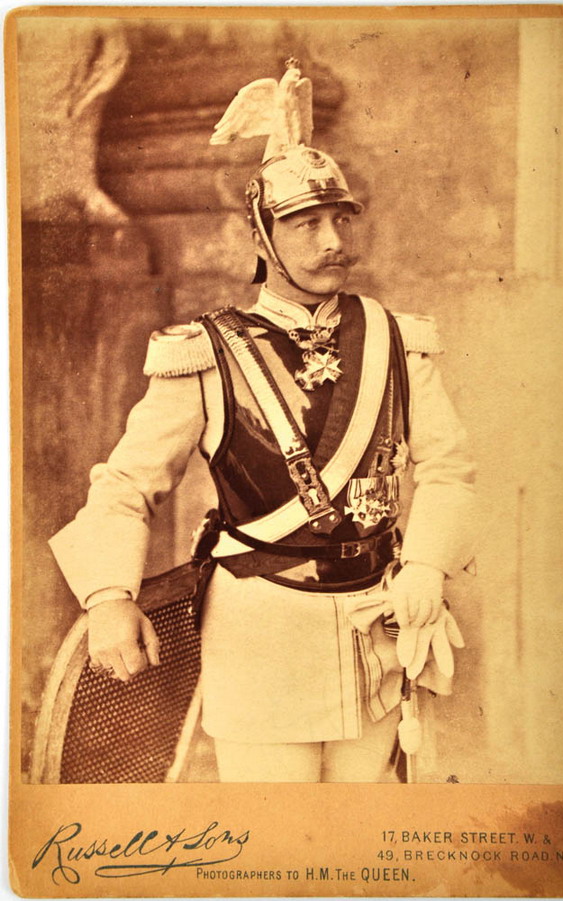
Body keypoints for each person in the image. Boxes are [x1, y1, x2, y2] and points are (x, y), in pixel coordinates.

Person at [49, 60, 478, 783]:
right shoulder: (205, 353)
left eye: (340, 219)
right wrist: (109, 597)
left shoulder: (396, 340)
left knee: (359, 829)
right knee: (273, 830)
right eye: (306, 224)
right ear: (261, 238)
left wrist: (429, 565)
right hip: (262, 636)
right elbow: (126, 485)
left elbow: (448, 468)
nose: (332, 240)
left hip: (379, 623)